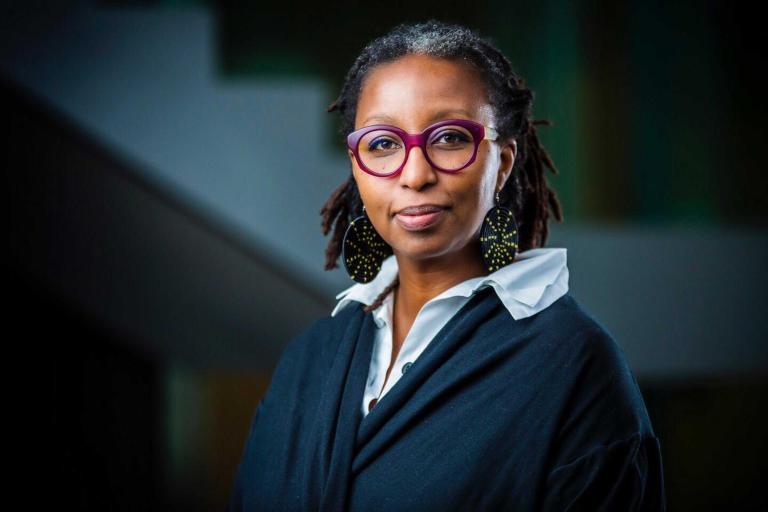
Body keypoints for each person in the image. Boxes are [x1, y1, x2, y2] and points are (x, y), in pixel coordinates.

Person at [227, 19, 666, 512]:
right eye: (383, 144)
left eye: (451, 138)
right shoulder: (309, 358)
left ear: (501, 163)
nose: (415, 175)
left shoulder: (574, 365)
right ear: (357, 167)